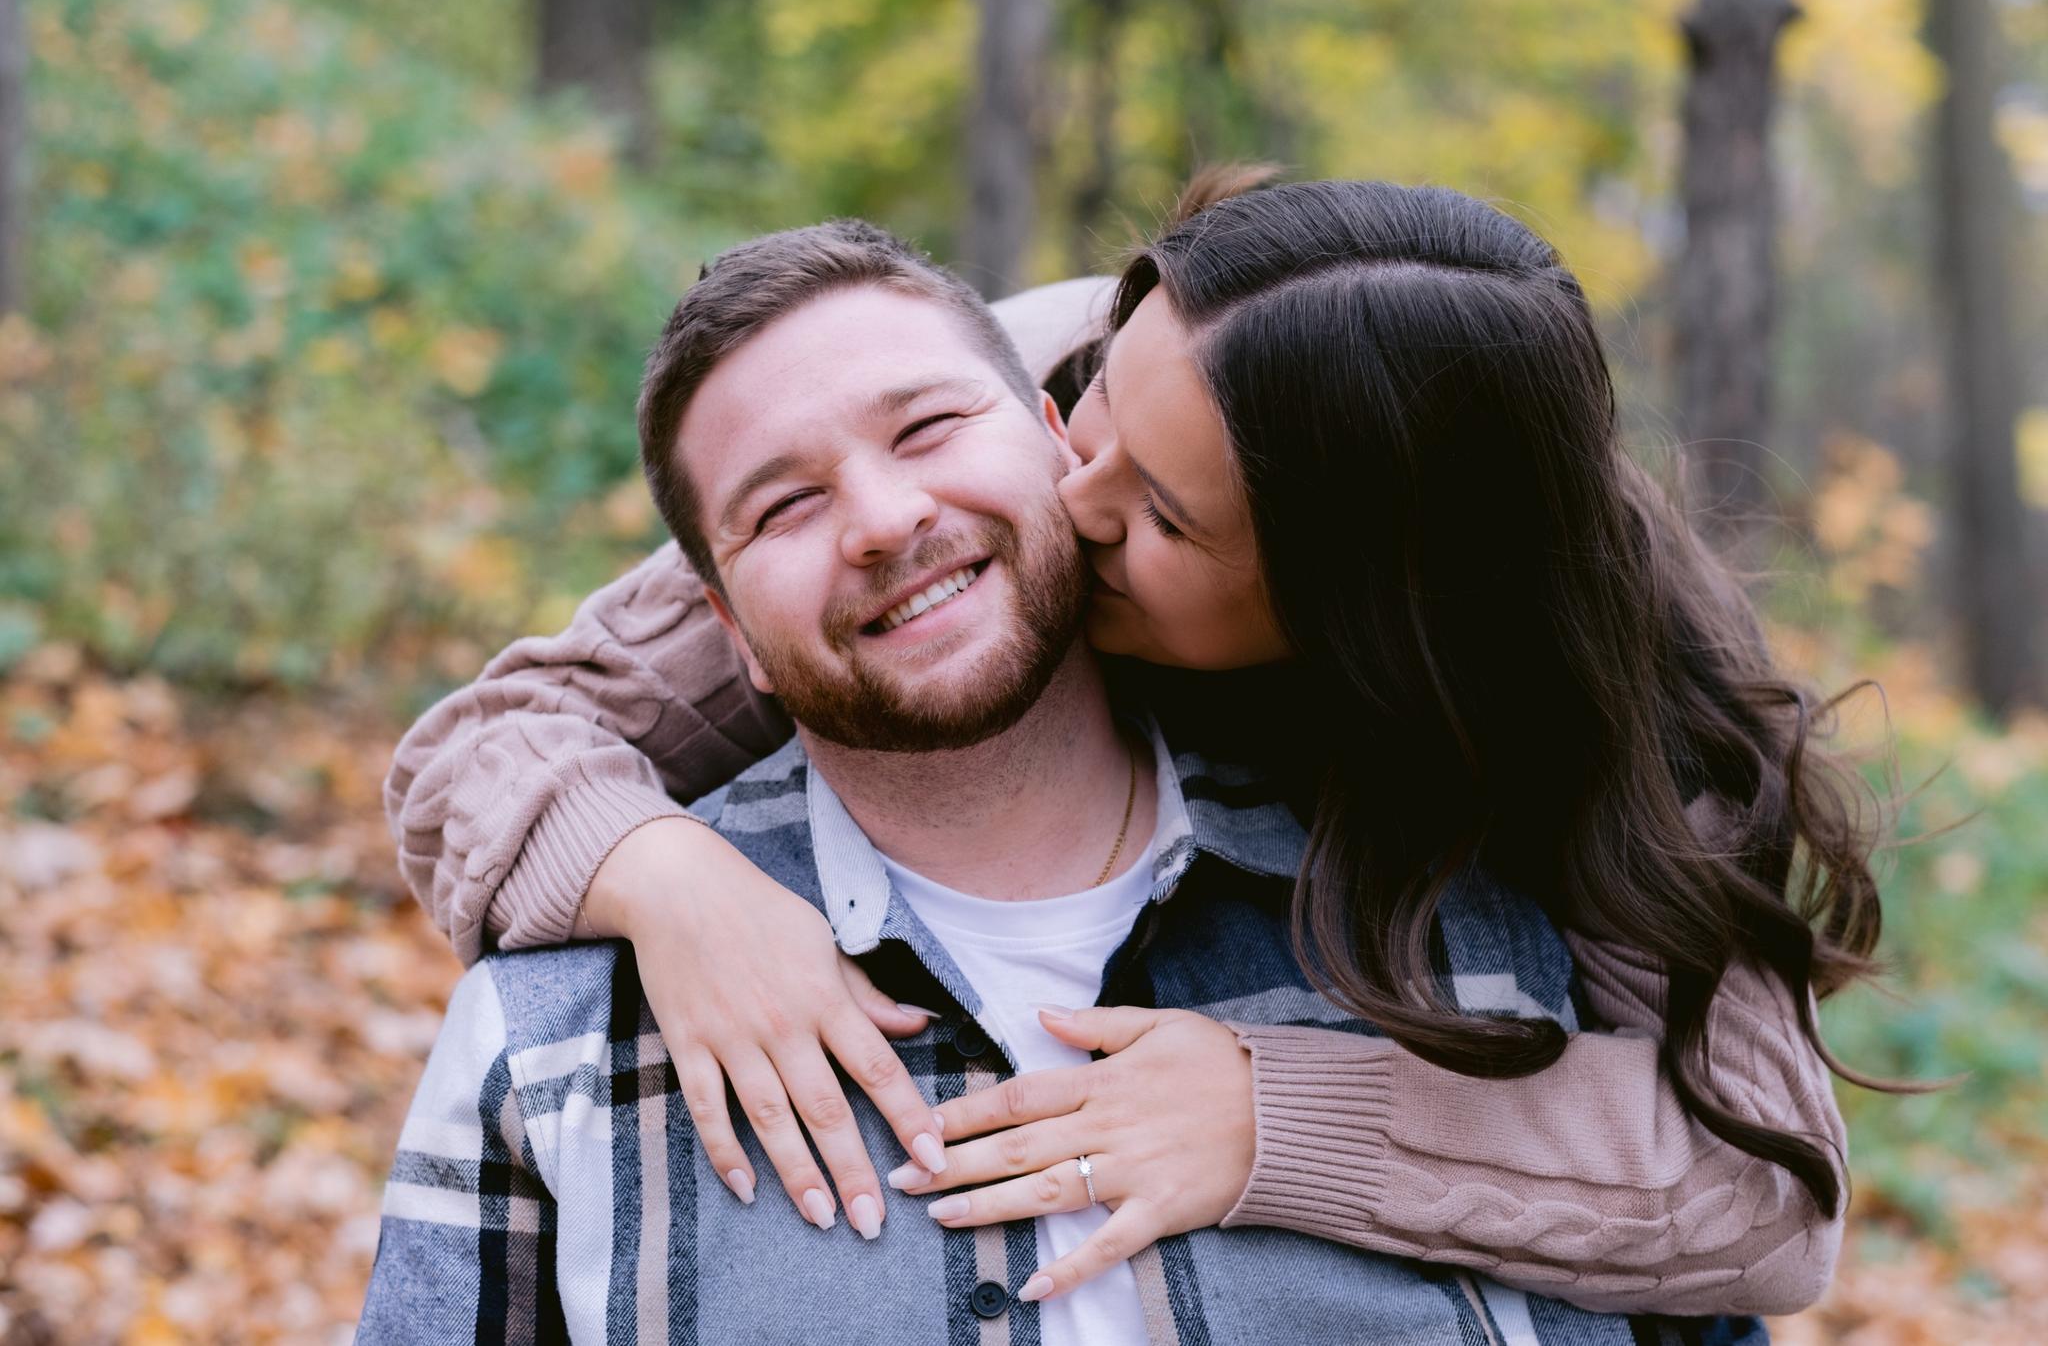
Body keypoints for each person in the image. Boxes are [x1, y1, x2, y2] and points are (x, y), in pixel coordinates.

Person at [382, 182, 1873, 1324]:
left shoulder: (1563, 725)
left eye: (1164, 518)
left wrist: (1278, 1117)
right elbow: (484, 745)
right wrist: (675, 885)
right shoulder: (1008, 404)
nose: (1077, 503)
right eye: (1085, 422)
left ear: (1332, 623)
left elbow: (1765, 1196)